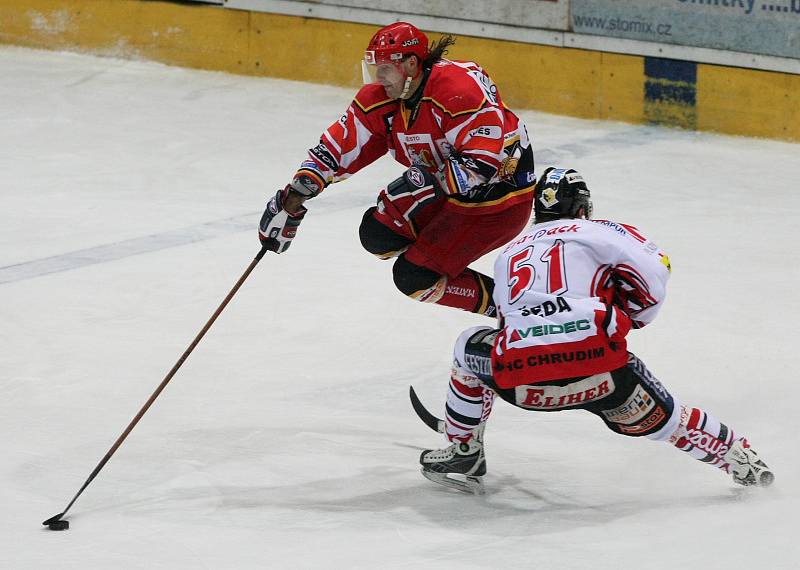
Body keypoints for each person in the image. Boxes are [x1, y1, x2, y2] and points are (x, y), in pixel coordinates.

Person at [417, 167, 774, 493]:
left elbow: (510, 318)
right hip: (600, 372)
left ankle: (464, 447)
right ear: (583, 208)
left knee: (468, 347)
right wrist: (630, 316)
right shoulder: (602, 230)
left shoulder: (509, 253)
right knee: (671, 422)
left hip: (523, 380)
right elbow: (654, 274)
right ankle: (740, 460)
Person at [258, 22, 535, 317]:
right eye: (374, 68)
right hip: (449, 193)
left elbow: (481, 161)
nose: (379, 77)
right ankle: (439, 257)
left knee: (413, 277)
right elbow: (337, 148)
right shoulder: (384, 99)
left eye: (386, 68)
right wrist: (295, 196)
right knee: (378, 236)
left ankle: (515, 313)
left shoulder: (458, 90)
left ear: (411, 64)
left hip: (500, 200)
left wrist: (430, 184)